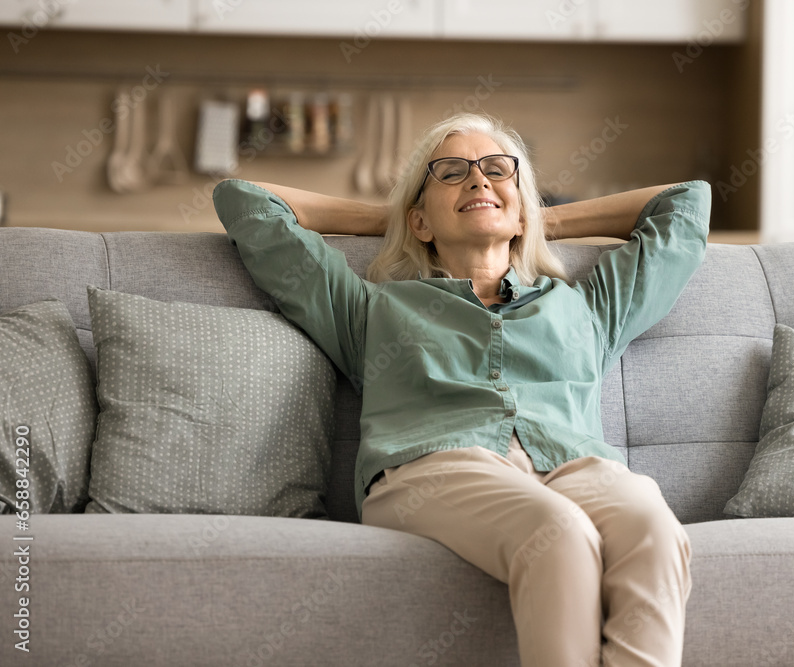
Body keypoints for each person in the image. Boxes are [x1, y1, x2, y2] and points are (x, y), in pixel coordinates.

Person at [213, 112, 710, 667]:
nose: (477, 181)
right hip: (432, 470)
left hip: (574, 465)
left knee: (652, 525)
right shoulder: (372, 309)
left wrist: (529, 216)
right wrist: (399, 218)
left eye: (497, 171)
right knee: (558, 532)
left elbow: (687, 203)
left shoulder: (587, 307)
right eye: (450, 174)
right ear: (419, 220)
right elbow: (245, 200)